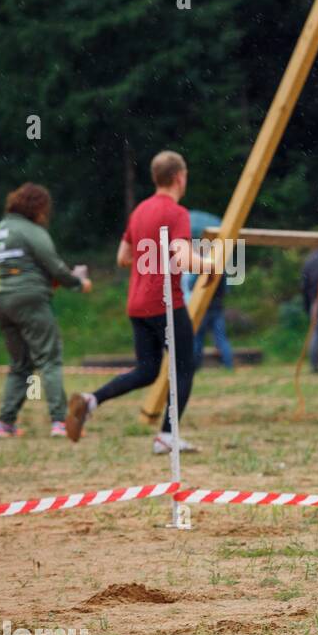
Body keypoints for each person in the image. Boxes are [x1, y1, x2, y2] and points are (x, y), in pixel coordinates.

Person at [66, 150, 217, 453]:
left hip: (137, 303)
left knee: (148, 370)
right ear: (179, 177)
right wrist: (210, 265)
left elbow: (122, 257)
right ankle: (167, 436)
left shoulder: (139, 211)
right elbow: (183, 256)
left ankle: (92, 399)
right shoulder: (177, 213)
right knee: (185, 367)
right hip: (166, 303)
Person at [0, 183, 91, 438]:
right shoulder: (30, 230)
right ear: (38, 207)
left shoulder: (0, 230)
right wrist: (79, 283)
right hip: (29, 299)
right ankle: (59, 422)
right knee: (50, 358)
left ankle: (4, 424)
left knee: (20, 363)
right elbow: (54, 266)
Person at [189, 210, 234, 371]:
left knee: (198, 338)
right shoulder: (220, 265)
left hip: (203, 307)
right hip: (217, 307)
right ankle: (229, 366)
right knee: (221, 339)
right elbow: (226, 288)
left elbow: (190, 285)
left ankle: (195, 367)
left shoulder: (201, 265)